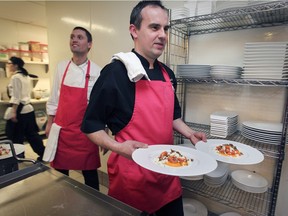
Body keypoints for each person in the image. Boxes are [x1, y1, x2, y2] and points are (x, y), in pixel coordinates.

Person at [81, 1, 207, 215]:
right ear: (134, 30)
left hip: (168, 176)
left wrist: (189, 133)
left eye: (166, 29)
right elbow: (91, 125)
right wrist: (117, 147)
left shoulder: (168, 75)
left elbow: (172, 116)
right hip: (132, 181)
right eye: (154, 27)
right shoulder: (115, 74)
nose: (163, 35)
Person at [45, 26, 102, 190]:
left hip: (86, 133)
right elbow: (54, 97)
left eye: (79, 37)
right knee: (61, 176)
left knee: (90, 176)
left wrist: (102, 130)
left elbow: (99, 106)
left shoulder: (97, 71)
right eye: (72, 37)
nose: (74, 40)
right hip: (63, 132)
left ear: (89, 44)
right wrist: (50, 122)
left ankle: (94, 207)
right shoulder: (61, 67)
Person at [5, 56, 45, 161]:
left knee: (16, 136)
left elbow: (16, 96)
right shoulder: (25, 76)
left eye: (9, 63)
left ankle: (19, 157)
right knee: (32, 134)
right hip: (29, 109)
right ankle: (43, 153)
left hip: (20, 110)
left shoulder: (15, 77)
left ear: (16, 65)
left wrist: (13, 111)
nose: (8, 66)